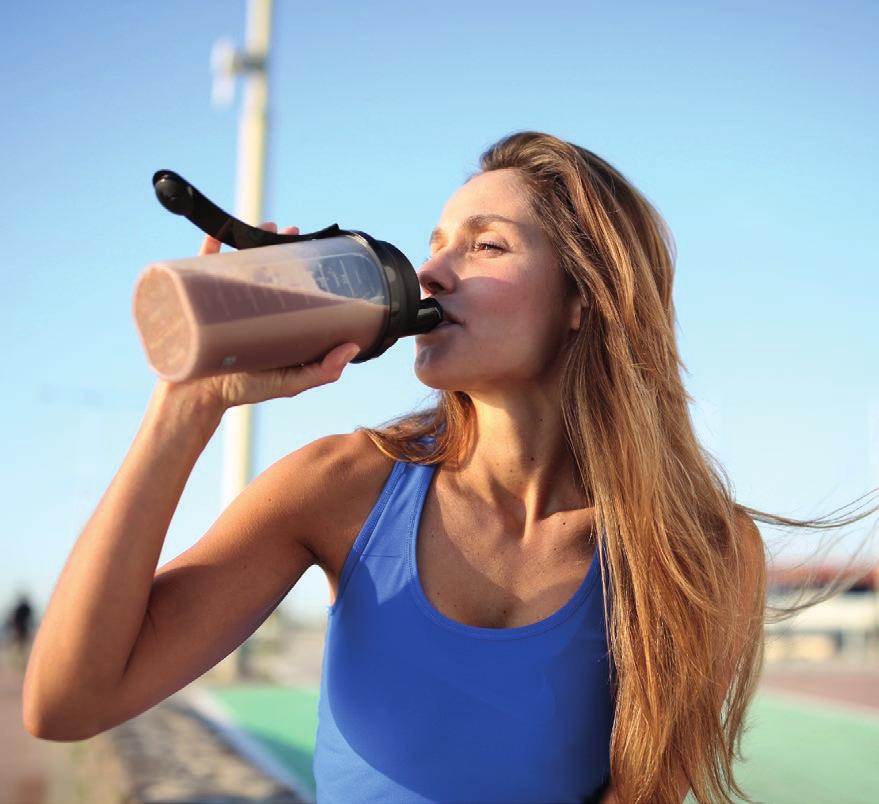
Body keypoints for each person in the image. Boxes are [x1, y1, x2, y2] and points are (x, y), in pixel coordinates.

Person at [22, 131, 877, 803]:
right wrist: (185, 407)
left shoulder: (701, 550)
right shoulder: (342, 486)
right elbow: (66, 705)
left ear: (584, 301)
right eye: (436, 243)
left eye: (486, 245)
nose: (431, 270)